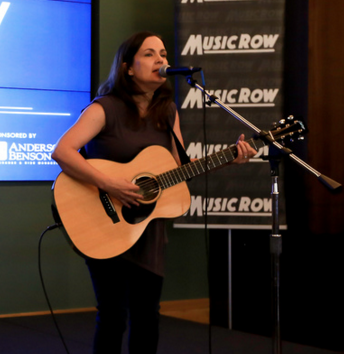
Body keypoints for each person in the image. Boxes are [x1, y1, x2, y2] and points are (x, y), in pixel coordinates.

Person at [52, 31, 256, 354]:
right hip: (104, 221)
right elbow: (62, 151)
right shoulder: (104, 108)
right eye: (149, 54)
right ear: (127, 67)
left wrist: (230, 158)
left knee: (148, 317)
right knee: (114, 317)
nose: (161, 60)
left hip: (147, 230)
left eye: (163, 53)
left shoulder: (168, 112)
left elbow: (177, 171)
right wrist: (110, 184)